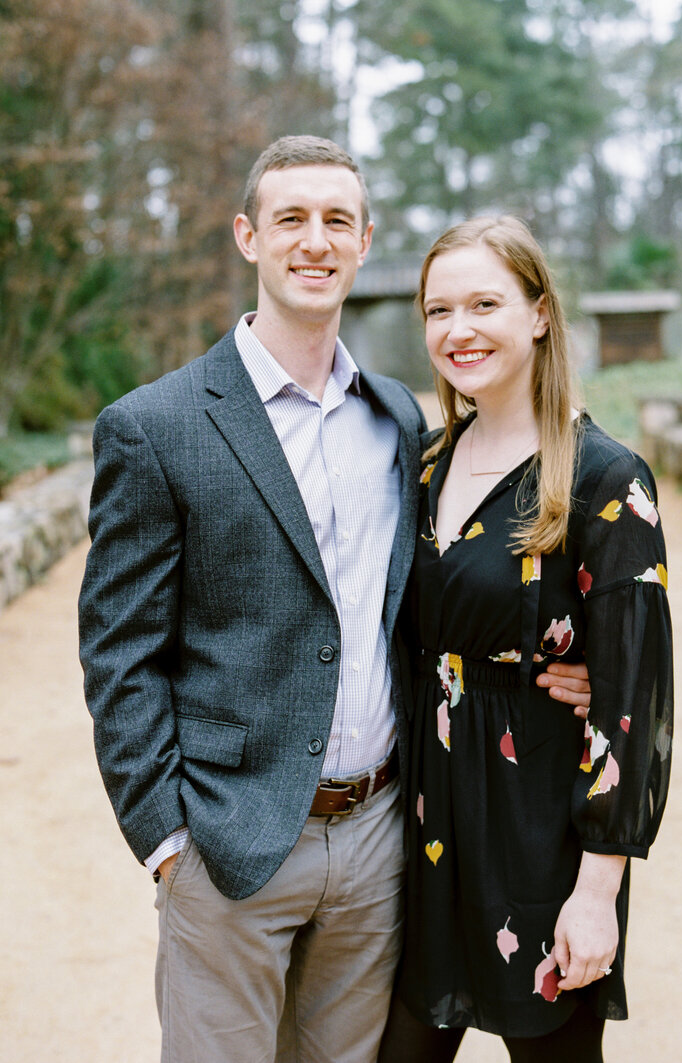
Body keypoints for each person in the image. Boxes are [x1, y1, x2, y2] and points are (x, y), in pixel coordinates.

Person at [78, 139, 592, 1063]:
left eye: (336, 221)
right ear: (247, 236)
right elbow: (118, 652)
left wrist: (566, 664)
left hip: (380, 842)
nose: (314, 241)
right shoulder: (154, 427)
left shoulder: (400, 421)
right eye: (290, 218)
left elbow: (451, 592)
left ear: (362, 242)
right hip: (228, 845)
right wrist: (165, 839)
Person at [378, 216, 673, 1063]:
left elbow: (632, 706)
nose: (457, 330)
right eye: (438, 311)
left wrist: (596, 893)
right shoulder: (426, 463)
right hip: (429, 833)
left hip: (544, 834)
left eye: (483, 304)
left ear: (540, 312)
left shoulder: (604, 481)